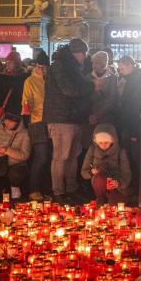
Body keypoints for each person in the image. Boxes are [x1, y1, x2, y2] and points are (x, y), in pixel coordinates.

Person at [43, 38, 94, 204]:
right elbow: (69, 90)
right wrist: (92, 86)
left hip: (72, 117)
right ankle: (58, 190)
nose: (85, 57)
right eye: (83, 53)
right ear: (75, 53)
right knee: (61, 156)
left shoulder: (72, 67)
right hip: (61, 118)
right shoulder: (60, 66)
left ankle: (71, 188)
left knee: (72, 156)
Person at [22, 51, 51, 201]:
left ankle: (45, 188)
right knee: (41, 156)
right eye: (40, 67)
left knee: (48, 157)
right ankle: (33, 189)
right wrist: (28, 109)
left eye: (44, 67)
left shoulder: (51, 80)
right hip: (37, 121)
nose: (42, 70)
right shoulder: (30, 81)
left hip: (51, 121)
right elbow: (27, 101)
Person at [117, 56, 141, 196]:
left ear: (130, 65)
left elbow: (135, 106)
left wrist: (134, 132)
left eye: (122, 68)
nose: (121, 71)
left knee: (136, 159)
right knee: (131, 158)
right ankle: (136, 187)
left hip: (133, 126)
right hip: (129, 125)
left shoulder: (137, 81)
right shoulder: (130, 80)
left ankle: (139, 188)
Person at [80, 123, 131, 205]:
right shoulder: (92, 150)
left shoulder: (120, 151)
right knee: (100, 178)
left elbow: (126, 174)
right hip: (99, 184)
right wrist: (91, 172)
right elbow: (84, 172)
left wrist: (119, 183)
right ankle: (100, 199)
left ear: (112, 140)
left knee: (116, 207)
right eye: (100, 143)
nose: (103, 145)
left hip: (116, 187)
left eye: (106, 142)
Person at [0, 111, 31, 200]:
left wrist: (7, 151)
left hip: (16, 166)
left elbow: (25, 155)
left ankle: (15, 198)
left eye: (11, 121)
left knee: (14, 177)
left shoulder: (24, 134)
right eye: (6, 120)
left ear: (18, 122)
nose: (7, 123)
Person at [83, 51, 119, 149]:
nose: (94, 66)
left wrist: (98, 115)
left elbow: (112, 99)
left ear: (103, 64)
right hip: (90, 117)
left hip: (106, 117)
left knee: (104, 144)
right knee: (89, 145)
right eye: (93, 63)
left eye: (97, 63)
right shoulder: (88, 78)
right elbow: (85, 97)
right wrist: (91, 115)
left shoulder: (112, 78)